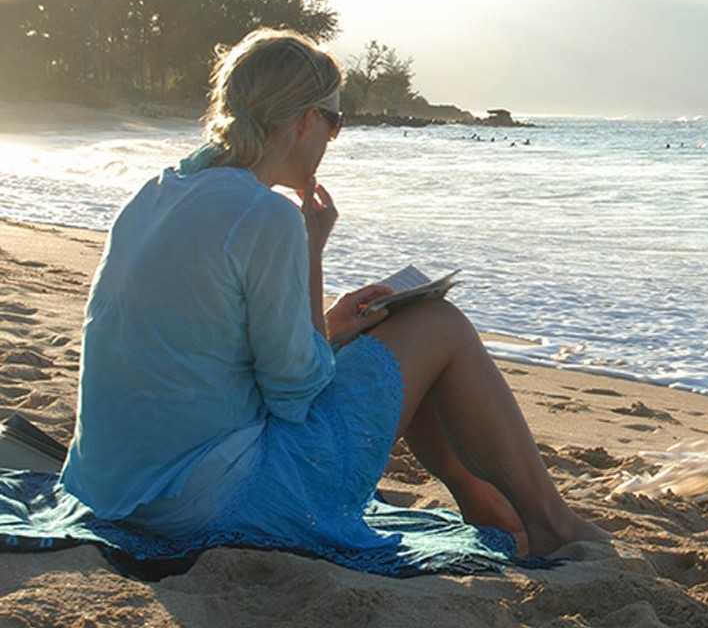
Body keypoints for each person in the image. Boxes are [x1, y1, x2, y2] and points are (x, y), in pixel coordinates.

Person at [59, 27, 608, 558]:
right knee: (438, 324)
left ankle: (483, 501)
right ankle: (551, 524)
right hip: (205, 502)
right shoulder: (262, 214)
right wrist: (311, 254)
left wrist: (330, 324)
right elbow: (296, 393)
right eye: (334, 121)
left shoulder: (156, 193)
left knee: (387, 337)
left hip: (116, 491)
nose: (333, 138)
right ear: (303, 121)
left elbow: (210, 344)